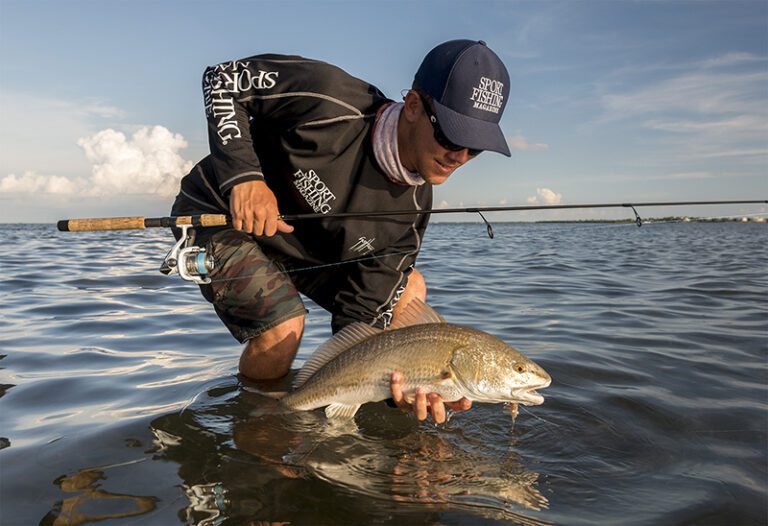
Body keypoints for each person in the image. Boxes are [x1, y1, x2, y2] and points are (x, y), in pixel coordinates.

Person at [171, 39, 511, 423]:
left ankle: (302, 414)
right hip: (217, 213)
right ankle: (258, 422)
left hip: (308, 253)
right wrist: (244, 178)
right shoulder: (329, 98)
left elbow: (359, 318)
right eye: (451, 136)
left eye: (475, 148)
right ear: (414, 106)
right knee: (284, 326)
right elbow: (223, 80)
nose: (459, 157)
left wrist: (394, 387)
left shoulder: (414, 212)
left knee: (409, 288)